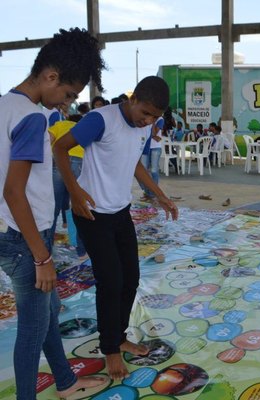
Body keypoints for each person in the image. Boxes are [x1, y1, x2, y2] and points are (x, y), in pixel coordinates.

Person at [0, 27, 108, 399]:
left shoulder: (5, 105)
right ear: (50, 76)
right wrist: (42, 256)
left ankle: (64, 381)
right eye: (67, 94)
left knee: (49, 310)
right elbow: (14, 192)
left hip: (16, 233)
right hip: (24, 239)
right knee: (32, 328)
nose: (66, 103)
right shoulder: (30, 117)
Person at [53, 76, 179, 380]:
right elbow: (60, 147)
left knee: (131, 278)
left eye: (154, 117)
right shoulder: (100, 120)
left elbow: (135, 163)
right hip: (92, 212)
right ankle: (109, 348)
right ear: (133, 98)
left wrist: (159, 195)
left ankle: (119, 335)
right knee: (110, 280)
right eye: (145, 113)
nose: (147, 121)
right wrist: (74, 191)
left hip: (121, 211)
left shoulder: (145, 126)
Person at [50, 117, 89, 261]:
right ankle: (82, 251)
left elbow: (47, 139)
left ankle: (47, 250)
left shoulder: (60, 125)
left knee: (53, 209)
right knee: (80, 207)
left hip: (59, 161)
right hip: (80, 161)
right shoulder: (83, 127)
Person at [139, 116, 165, 202]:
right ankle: (147, 192)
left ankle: (153, 194)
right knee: (143, 170)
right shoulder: (145, 118)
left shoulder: (160, 119)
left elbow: (153, 132)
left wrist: (153, 122)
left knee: (154, 170)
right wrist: (154, 136)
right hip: (145, 147)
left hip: (155, 148)